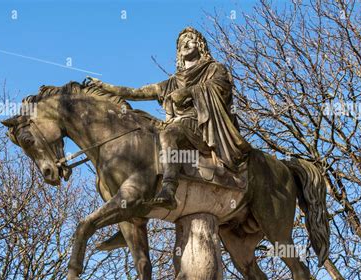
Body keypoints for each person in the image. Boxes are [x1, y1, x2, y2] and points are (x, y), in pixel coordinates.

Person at [87, 27, 251, 210]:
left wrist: (189, 92)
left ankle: (169, 188)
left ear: (201, 45)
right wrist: (105, 87)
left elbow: (221, 89)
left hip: (201, 125)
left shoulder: (214, 69)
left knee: (167, 135)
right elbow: (137, 92)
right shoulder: (172, 82)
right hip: (177, 124)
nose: (185, 43)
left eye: (190, 39)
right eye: (181, 42)